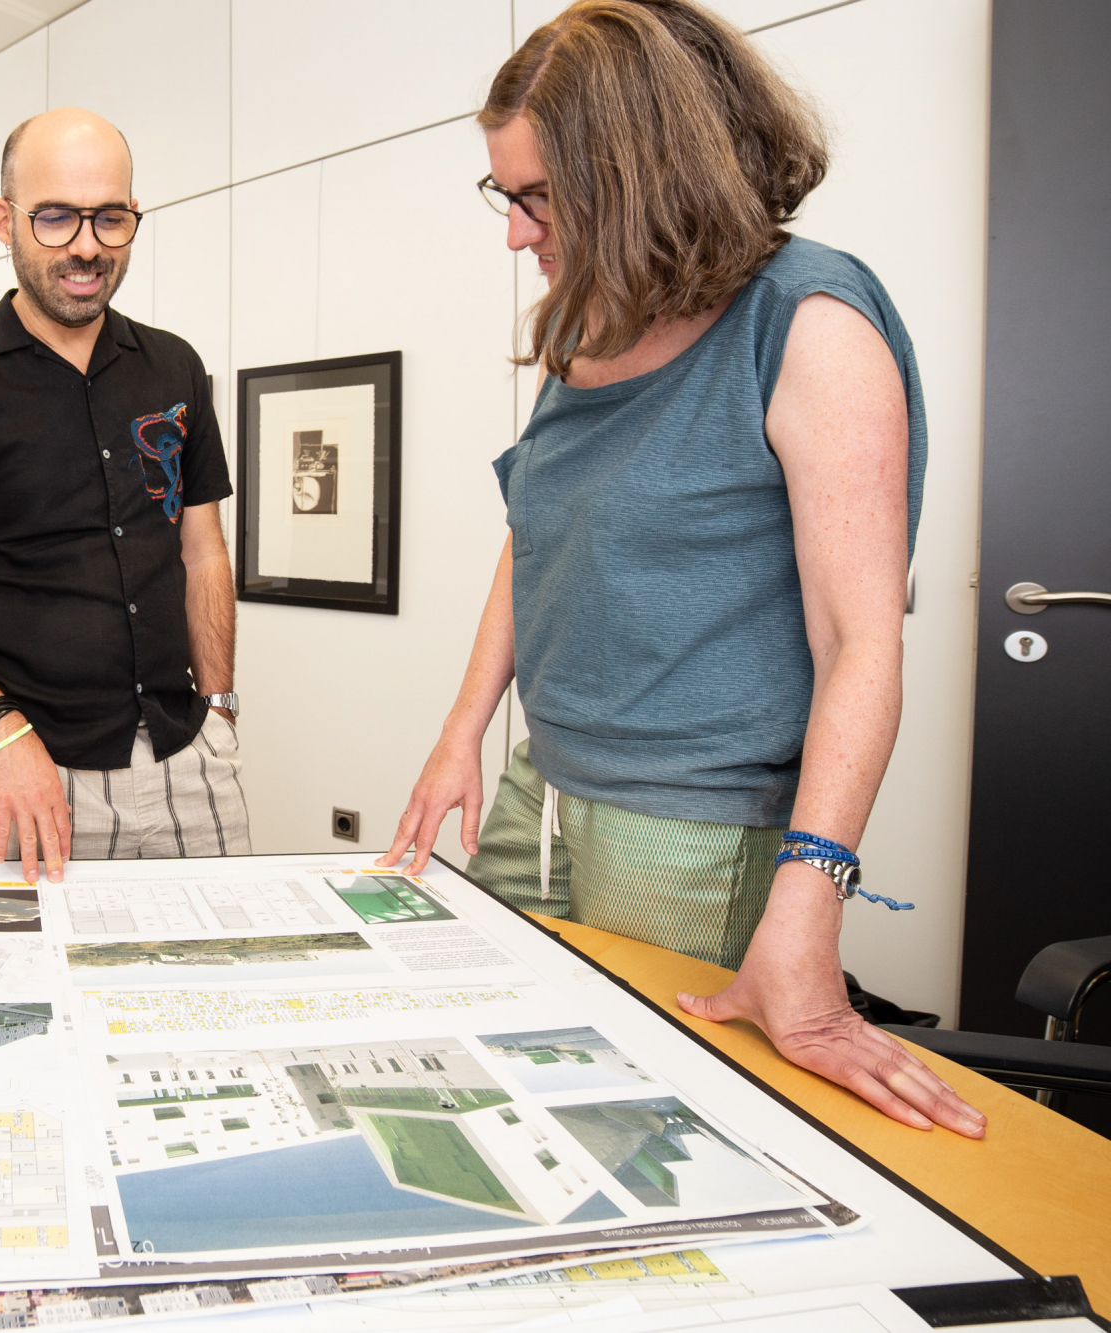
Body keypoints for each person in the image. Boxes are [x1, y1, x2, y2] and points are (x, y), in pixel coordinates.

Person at [379, 0, 986, 1138]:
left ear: (637, 172)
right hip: (541, 788)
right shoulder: (588, 322)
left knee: (638, 1136)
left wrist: (808, 909)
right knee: (498, 1093)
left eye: (536, 199)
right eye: (502, 196)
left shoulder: (806, 321)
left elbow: (858, 643)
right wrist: (462, 728)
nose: (514, 233)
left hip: (692, 828)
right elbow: (539, 531)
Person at [0, 107, 246, 883]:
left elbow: (202, 551)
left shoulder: (175, 367)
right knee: (21, 998)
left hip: (182, 750)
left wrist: (220, 707)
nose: (86, 245)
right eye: (56, 218)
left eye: (111, 218)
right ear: (3, 220)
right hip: (14, 763)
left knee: (213, 976)